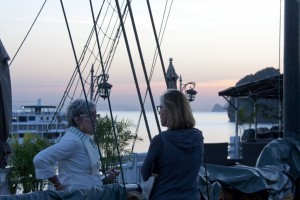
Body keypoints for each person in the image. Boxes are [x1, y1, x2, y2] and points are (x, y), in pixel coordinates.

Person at [33, 99, 117, 190]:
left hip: (91, 194)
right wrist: (58, 185)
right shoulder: (74, 141)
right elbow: (40, 159)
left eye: (96, 116)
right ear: (77, 120)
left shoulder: (84, 139)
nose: (95, 121)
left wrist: (105, 176)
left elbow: (83, 174)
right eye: (91, 117)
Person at [141, 89, 204, 200]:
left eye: (161, 107)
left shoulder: (160, 140)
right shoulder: (198, 137)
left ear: (170, 110)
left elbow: (145, 173)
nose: (159, 112)